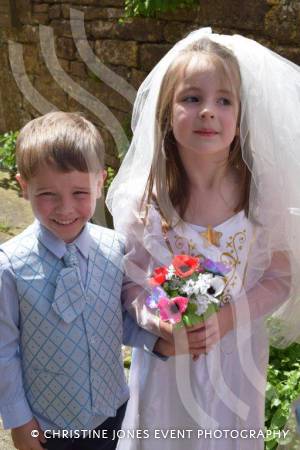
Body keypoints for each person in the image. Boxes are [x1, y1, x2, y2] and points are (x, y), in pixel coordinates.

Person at [106, 29, 300, 449]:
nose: (208, 111)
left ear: (241, 113)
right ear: (167, 112)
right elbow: (131, 281)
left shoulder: (260, 195)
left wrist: (228, 318)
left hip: (237, 358)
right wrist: (155, 320)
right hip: (168, 362)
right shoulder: (146, 200)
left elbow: (279, 278)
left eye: (224, 100)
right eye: (191, 98)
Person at [0, 112, 172, 450]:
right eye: (48, 194)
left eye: (79, 192)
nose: (65, 208)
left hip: (114, 412)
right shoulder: (9, 267)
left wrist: (157, 341)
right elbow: (4, 351)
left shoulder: (115, 248)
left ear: (100, 182)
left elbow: (116, 318)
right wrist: (19, 420)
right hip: (50, 424)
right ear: (23, 186)